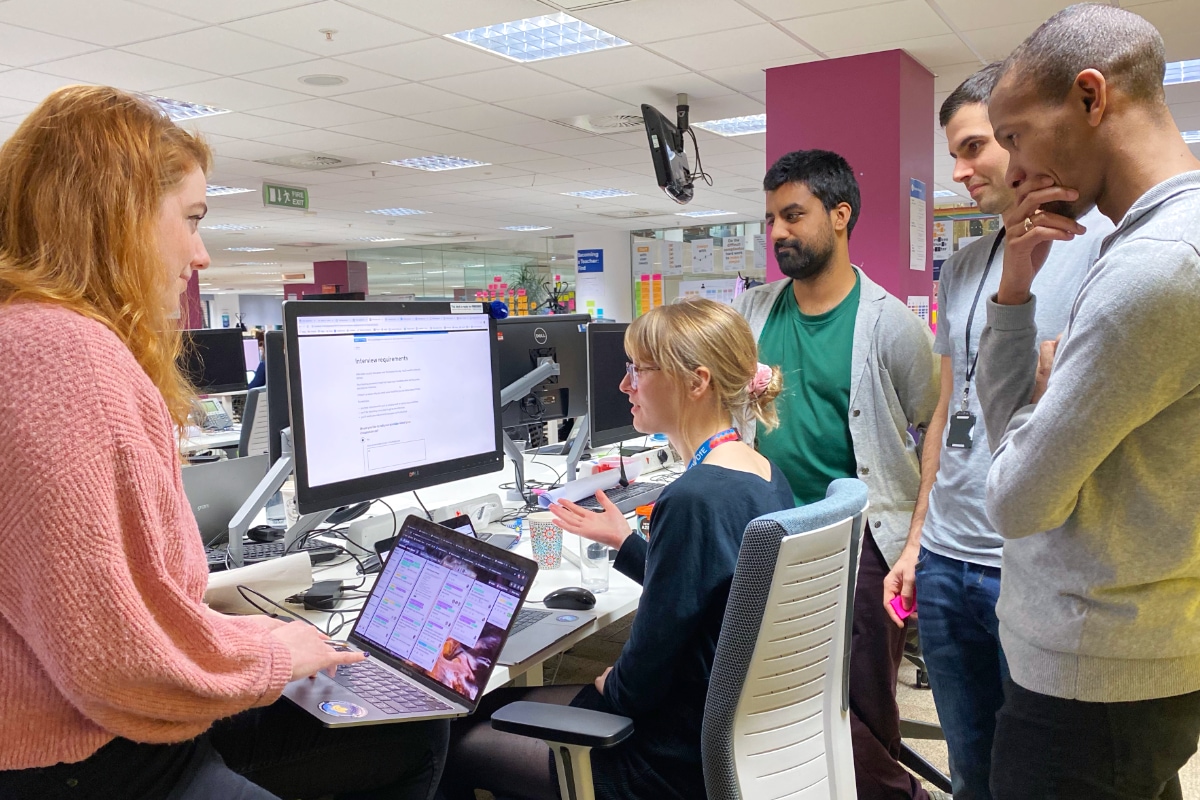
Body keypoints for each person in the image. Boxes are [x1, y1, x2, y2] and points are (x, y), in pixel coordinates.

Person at [0, 86, 447, 800]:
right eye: (191, 219)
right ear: (116, 214)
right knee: (383, 703)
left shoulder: (33, 334)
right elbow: (113, 657)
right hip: (93, 760)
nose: (200, 253)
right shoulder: (60, 352)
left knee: (405, 722)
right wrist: (273, 650)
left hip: (98, 731)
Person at [439, 298, 795, 800]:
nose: (625, 385)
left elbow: (642, 674)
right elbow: (703, 595)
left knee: (449, 734)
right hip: (726, 736)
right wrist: (626, 542)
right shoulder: (757, 471)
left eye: (639, 371)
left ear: (696, 382)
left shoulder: (694, 499)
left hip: (663, 757)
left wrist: (613, 684)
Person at [979, 5, 1200, 798]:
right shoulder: (1153, 245)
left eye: (1013, 135)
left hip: (1093, 678)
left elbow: (1013, 496)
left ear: (1090, 96)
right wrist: (1015, 295)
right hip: (1129, 659)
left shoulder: (1156, 268)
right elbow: (1022, 452)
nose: (1010, 170)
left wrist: (1044, 399)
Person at [881, 63, 1112, 800]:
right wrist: (917, 540)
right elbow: (946, 412)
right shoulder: (965, 267)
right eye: (954, 151)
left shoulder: (1102, 249)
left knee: (1043, 772)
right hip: (947, 560)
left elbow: (1078, 419)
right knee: (970, 761)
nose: (959, 170)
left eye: (976, 146)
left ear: (1020, 135)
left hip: (1035, 561)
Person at [733, 149, 940, 800]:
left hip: (868, 548)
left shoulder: (890, 324)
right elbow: (747, 405)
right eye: (770, 219)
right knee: (778, 699)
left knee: (865, 708)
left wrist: (918, 539)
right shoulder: (754, 312)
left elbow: (942, 424)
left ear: (840, 215)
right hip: (770, 533)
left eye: (793, 215)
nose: (778, 233)